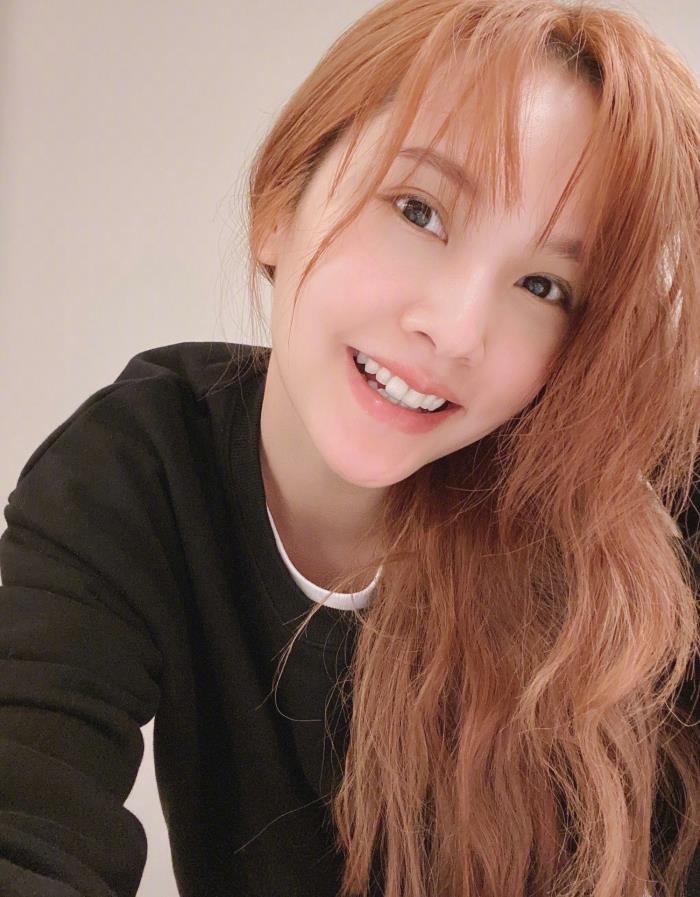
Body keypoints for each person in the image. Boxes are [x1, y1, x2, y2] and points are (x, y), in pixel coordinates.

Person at [1, 0, 698, 895]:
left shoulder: (638, 528)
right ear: (279, 205)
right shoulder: (142, 468)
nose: (455, 330)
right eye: (419, 210)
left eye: (542, 284)